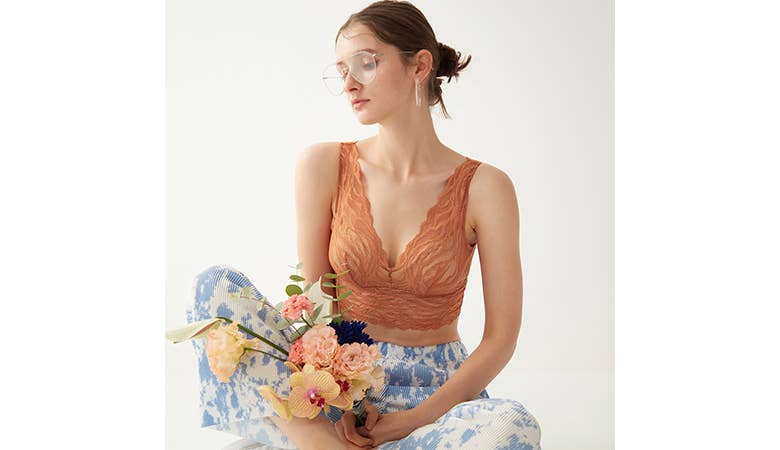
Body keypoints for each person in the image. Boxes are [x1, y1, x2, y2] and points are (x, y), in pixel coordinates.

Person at [187, 1, 542, 449]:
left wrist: (412, 420)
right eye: (342, 71)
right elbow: (316, 308)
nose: (349, 83)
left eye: (366, 64)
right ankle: (322, 443)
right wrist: (336, 405)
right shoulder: (323, 164)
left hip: (438, 401)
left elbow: (501, 338)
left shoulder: (486, 187)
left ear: (420, 66)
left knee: (512, 424)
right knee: (215, 287)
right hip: (335, 393)